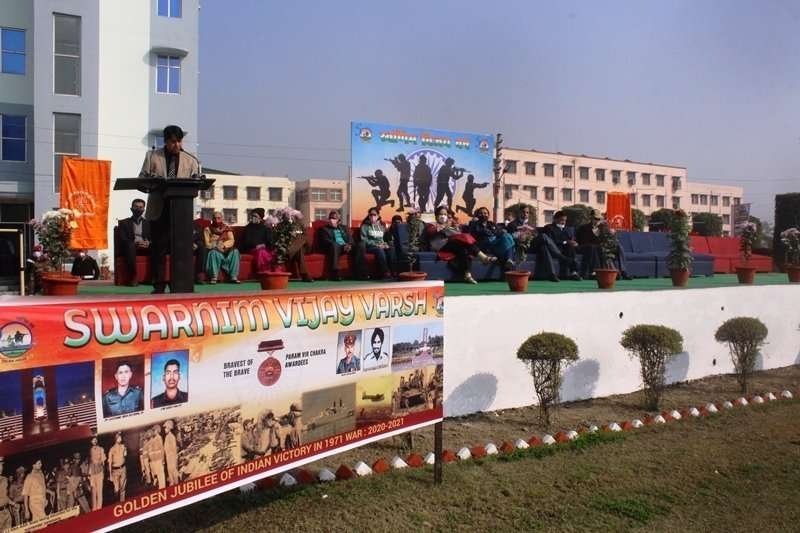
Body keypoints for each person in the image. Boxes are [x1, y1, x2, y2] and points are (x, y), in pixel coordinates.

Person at [139, 125, 201, 294]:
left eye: (179, 141)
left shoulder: (191, 160)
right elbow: (142, 179)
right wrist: (152, 180)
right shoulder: (152, 156)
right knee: (158, 250)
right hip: (159, 210)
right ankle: (159, 285)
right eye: (173, 141)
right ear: (165, 141)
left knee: (180, 250)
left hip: (181, 212)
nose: (177, 145)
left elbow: (196, 184)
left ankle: (179, 284)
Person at [424, 206, 496, 284]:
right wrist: (444, 227)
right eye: (440, 214)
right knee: (464, 240)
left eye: (445, 214)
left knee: (465, 249)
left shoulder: (450, 226)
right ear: (436, 216)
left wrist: (454, 228)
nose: (443, 216)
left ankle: (467, 274)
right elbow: (430, 232)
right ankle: (484, 258)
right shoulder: (431, 225)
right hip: (440, 247)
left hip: (453, 246)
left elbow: (458, 234)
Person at [576, 209, 632, 280]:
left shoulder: (603, 227)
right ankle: (600, 272)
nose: (597, 221)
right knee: (596, 248)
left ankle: (623, 271)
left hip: (605, 246)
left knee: (619, 247)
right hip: (596, 247)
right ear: (591, 218)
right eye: (596, 219)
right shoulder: (584, 228)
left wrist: (611, 234)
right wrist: (596, 235)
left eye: (599, 219)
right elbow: (584, 241)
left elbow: (609, 239)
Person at [317, 211, 367, 281]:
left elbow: (350, 239)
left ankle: (359, 273)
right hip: (335, 247)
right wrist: (342, 246)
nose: (331, 220)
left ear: (338, 221)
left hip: (346, 246)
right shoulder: (324, 229)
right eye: (330, 218)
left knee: (361, 244)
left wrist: (349, 245)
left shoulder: (344, 228)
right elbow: (326, 241)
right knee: (335, 245)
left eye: (334, 218)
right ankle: (334, 274)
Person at [272, 209, 313, 282]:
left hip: (298, 247)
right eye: (287, 216)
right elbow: (278, 238)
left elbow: (305, 237)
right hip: (289, 247)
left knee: (300, 239)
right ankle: (304, 274)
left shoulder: (299, 224)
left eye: (292, 216)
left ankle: (291, 251)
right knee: (299, 251)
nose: (290, 217)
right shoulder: (280, 225)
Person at [117, 198, 151, 286]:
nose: (138, 209)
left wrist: (149, 243)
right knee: (130, 245)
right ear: (131, 208)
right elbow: (122, 239)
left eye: (140, 207)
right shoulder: (124, 223)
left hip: (146, 246)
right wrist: (135, 243)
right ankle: (133, 277)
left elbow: (153, 237)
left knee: (157, 246)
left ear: (143, 209)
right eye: (136, 207)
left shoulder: (149, 223)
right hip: (131, 247)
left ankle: (154, 278)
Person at [542, 211, 582, 281]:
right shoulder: (549, 228)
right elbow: (550, 242)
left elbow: (571, 239)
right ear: (555, 219)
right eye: (562, 220)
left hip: (566, 249)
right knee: (568, 247)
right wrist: (565, 242)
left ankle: (574, 273)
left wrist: (574, 243)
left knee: (570, 247)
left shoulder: (567, 229)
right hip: (555, 249)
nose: (563, 222)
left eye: (565, 220)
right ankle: (570, 268)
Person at [204, 211, 241, 284]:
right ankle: (214, 277)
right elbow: (207, 244)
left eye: (218, 218)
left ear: (222, 219)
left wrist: (223, 245)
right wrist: (216, 245)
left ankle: (233, 277)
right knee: (213, 253)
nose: (216, 220)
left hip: (226, 249)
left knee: (235, 251)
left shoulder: (227, 228)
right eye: (215, 218)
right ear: (212, 219)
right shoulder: (207, 229)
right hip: (215, 250)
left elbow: (232, 240)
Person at [360, 208, 394, 279]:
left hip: (381, 245)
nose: (372, 216)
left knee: (391, 249)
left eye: (374, 215)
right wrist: (376, 244)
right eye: (370, 215)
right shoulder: (364, 226)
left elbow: (384, 238)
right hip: (370, 247)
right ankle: (385, 272)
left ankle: (393, 271)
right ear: (368, 216)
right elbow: (364, 240)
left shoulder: (381, 227)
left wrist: (385, 244)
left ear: (378, 216)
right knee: (379, 250)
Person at [241, 208, 274, 273]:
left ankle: (269, 271)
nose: (253, 218)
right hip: (252, 249)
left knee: (270, 253)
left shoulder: (265, 228)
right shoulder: (248, 228)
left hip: (264, 249)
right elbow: (246, 242)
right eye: (252, 216)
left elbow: (270, 240)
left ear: (260, 218)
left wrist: (263, 245)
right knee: (261, 252)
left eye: (255, 216)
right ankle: (263, 271)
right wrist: (256, 246)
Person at [108, 433, 127, 502]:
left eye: (120, 437)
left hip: (123, 468)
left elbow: (125, 455)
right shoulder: (112, 449)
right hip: (115, 471)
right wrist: (110, 475)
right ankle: (116, 499)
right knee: (117, 489)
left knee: (123, 487)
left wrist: (125, 451)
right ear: (116, 439)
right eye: (119, 437)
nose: (120, 439)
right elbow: (110, 463)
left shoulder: (123, 446)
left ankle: (122, 501)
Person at [88, 437, 105, 510]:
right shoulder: (90, 450)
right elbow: (90, 462)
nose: (94, 441)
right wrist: (89, 473)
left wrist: (99, 463)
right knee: (93, 492)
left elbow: (103, 461)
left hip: (99, 473)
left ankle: (99, 508)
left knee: (99, 491)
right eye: (93, 440)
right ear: (91, 441)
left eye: (95, 440)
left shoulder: (101, 449)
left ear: (97, 441)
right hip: (92, 473)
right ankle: (94, 508)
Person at [163, 421, 179, 486]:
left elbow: (174, 448)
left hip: (172, 456)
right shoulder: (167, 437)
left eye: (166, 428)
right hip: (168, 456)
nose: (165, 429)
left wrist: (175, 457)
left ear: (169, 428)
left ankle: (176, 483)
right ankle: (171, 482)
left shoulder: (171, 437)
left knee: (173, 470)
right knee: (169, 470)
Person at [192, 218, 207, 284]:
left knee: (202, 247)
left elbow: (201, 238)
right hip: (181, 246)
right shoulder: (178, 224)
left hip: (194, 247)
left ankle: (198, 274)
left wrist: (197, 244)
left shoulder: (196, 225)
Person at [0, 457, 11, 530]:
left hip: (6, 512)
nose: (1, 468)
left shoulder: (5, 480)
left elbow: (5, 496)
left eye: (2, 465)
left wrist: (13, 504)